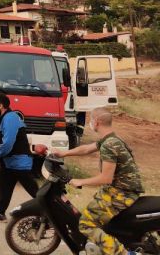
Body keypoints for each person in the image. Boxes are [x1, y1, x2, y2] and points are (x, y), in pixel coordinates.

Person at [56, 107, 143, 255]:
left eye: (91, 119)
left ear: (97, 122)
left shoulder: (109, 145)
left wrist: (80, 181)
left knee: (85, 224)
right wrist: (63, 153)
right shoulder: (111, 139)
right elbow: (86, 149)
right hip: (119, 189)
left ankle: (124, 253)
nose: (90, 122)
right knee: (93, 213)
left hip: (121, 193)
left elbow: (105, 178)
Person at [0, 93, 39, 222]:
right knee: (3, 184)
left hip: (19, 163)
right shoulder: (7, 117)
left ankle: (53, 212)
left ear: (0, 105)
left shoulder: (10, 118)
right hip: (11, 164)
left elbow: (8, 143)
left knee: (35, 191)